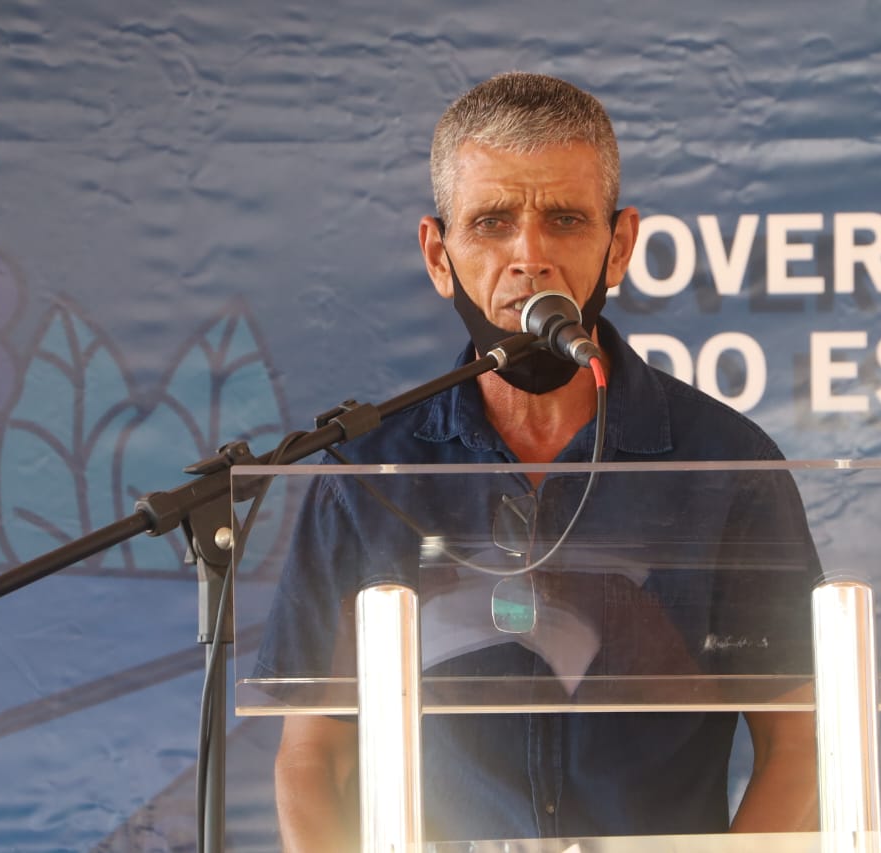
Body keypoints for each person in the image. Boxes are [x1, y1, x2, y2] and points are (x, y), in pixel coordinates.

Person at [257, 71, 820, 850]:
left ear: (618, 246)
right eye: (492, 222)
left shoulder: (729, 465)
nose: (530, 256)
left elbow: (803, 746)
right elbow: (312, 759)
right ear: (439, 255)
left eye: (564, 219)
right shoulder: (364, 476)